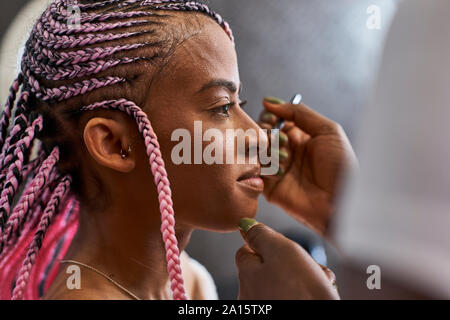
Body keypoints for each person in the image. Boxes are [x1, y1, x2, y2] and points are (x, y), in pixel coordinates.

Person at [0, 0, 356, 300]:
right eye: (220, 107)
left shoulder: (189, 281)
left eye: (239, 102)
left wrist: (343, 210)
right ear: (115, 144)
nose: (261, 138)